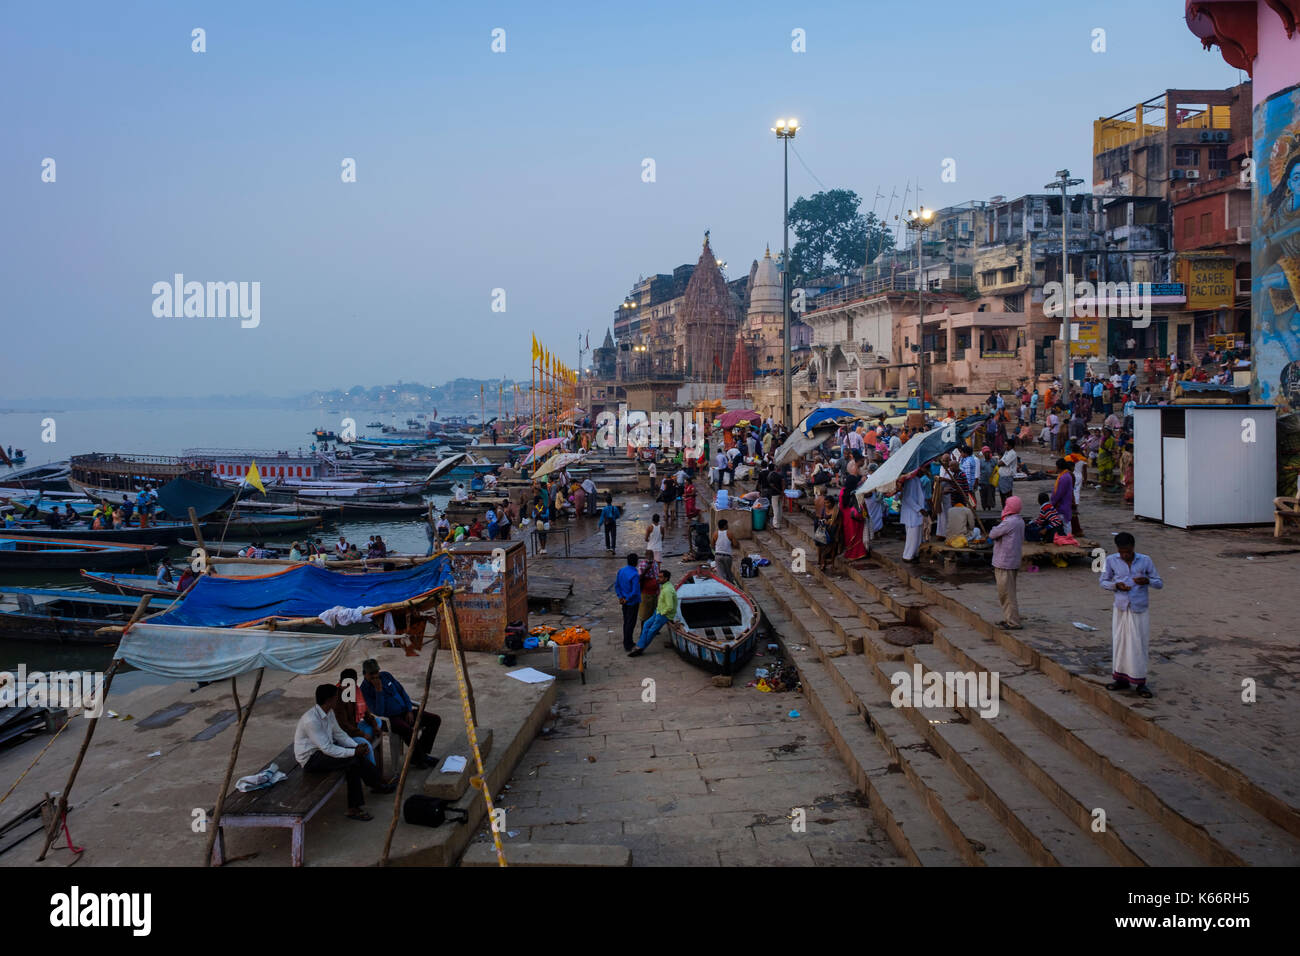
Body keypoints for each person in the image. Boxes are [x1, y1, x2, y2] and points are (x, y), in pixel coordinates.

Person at [296, 684, 395, 821]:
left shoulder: (329, 712)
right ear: (329, 700)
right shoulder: (311, 720)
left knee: (355, 760)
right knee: (353, 761)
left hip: (323, 751)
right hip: (311, 759)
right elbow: (327, 749)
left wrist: (356, 746)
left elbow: (340, 734)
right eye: (336, 697)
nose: (338, 699)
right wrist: (354, 752)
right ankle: (368, 793)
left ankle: (376, 784)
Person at [1099, 532, 1163, 698]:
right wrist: (1116, 585)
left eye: (1127, 551)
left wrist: (1147, 581)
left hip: (1139, 609)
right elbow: (1103, 582)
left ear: (1133, 548)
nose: (1125, 555)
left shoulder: (1145, 560)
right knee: (1120, 642)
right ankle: (1121, 679)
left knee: (1138, 644)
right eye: (1121, 551)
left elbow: (1159, 582)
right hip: (1121, 607)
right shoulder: (1112, 560)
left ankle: (1140, 682)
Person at [360, 659, 441, 769]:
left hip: (405, 711)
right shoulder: (364, 690)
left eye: (376, 672)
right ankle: (422, 757)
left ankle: (419, 755)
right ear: (365, 674)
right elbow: (378, 712)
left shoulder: (386, 676)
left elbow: (402, 691)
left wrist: (408, 709)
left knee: (434, 719)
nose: (375, 676)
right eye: (371, 674)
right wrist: (378, 691)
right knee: (407, 730)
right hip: (390, 719)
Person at [336, 667, 385, 774]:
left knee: (378, 722)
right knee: (365, 745)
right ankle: (376, 778)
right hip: (343, 735)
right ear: (341, 683)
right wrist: (362, 734)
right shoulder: (337, 698)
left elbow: (367, 714)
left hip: (354, 727)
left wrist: (374, 725)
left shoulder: (355, 692)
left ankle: (366, 740)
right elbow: (344, 725)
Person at [987, 494, 1024, 629]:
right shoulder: (1019, 520)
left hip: (1005, 562)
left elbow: (993, 534)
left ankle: (1013, 622)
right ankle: (1010, 618)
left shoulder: (1010, 522)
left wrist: (992, 533)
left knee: (1007, 594)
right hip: (1012, 561)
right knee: (1008, 592)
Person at [628, 568, 677, 656]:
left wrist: (662, 613)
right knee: (646, 624)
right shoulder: (664, 586)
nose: (658, 579)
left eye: (661, 577)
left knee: (652, 631)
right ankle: (640, 646)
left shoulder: (668, 590)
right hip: (658, 611)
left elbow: (670, 606)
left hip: (664, 614)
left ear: (666, 579)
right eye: (658, 576)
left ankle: (640, 647)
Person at [614, 552, 641, 652]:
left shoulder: (621, 571)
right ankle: (628, 643)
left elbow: (617, 585)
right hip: (632, 602)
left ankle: (627, 641)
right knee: (631, 622)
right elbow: (635, 591)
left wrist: (621, 597)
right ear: (636, 562)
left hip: (624, 601)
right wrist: (627, 598)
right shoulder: (635, 574)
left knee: (626, 621)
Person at [899, 471, 928, 563]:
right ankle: (908, 556)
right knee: (913, 537)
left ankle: (914, 554)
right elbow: (908, 498)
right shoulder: (911, 481)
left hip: (915, 513)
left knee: (917, 537)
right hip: (912, 513)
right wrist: (919, 509)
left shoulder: (916, 480)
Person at [635, 549, 661, 628]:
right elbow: (639, 578)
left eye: (651, 556)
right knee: (644, 613)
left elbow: (657, 576)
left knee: (654, 611)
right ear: (645, 556)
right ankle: (642, 631)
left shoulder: (655, 563)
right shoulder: (642, 564)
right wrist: (646, 569)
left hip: (654, 591)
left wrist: (658, 589)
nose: (650, 558)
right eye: (648, 556)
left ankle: (652, 628)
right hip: (645, 592)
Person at [1050, 458, 1075, 533]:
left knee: (1065, 523)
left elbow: (1059, 493)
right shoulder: (1065, 475)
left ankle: (1067, 538)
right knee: (1065, 523)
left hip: (1062, 503)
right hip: (1065, 502)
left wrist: (1053, 502)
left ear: (1058, 467)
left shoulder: (1064, 477)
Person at [997, 440, 1018, 507]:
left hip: (1007, 477)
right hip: (1002, 476)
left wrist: (999, 462)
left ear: (1010, 446)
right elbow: (1000, 461)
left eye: (1006, 445)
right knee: (1002, 494)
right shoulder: (1006, 452)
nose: (1004, 446)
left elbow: (1002, 463)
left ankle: (1010, 508)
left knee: (1007, 494)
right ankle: (1005, 508)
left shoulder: (1012, 453)